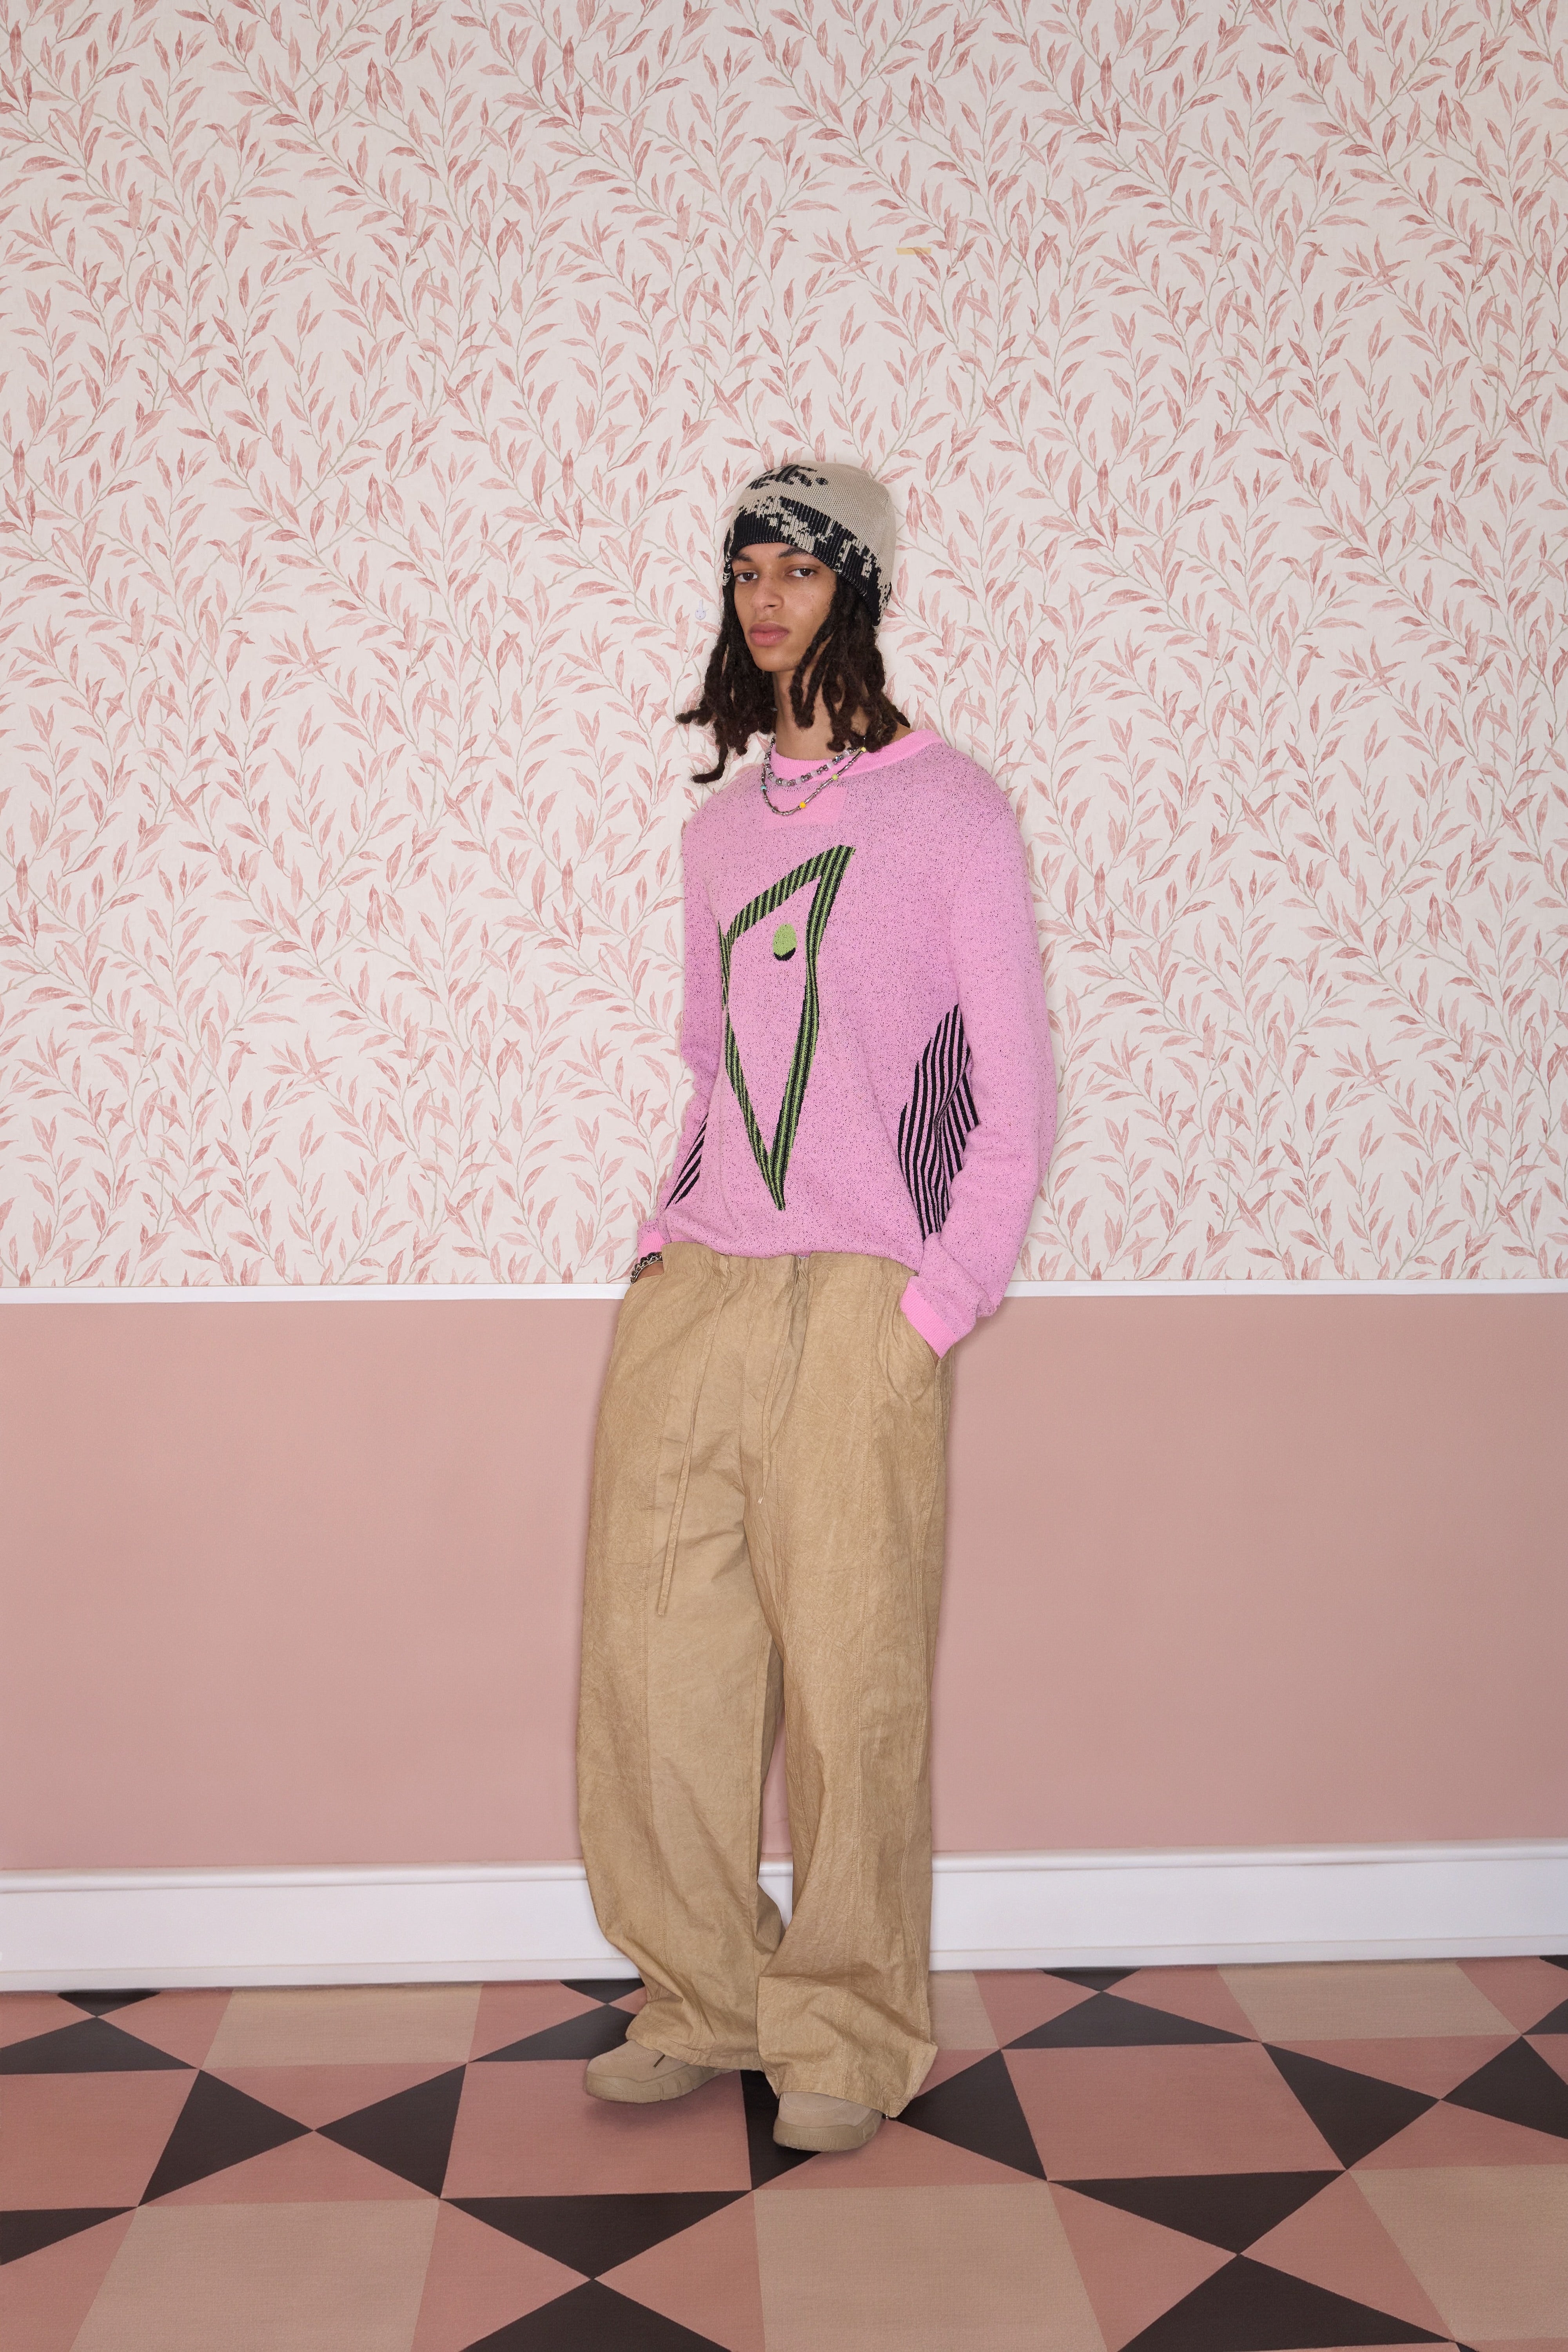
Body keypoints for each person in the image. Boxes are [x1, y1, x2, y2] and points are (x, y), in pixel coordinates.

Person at [575, 458, 1056, 2154]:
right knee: (655, 1664)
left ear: (860, 588)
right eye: (746, 570)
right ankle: (701, 1996)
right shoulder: (717, 835)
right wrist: (662, 1238)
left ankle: (847, 2031)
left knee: (852, 1679)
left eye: (798, 567)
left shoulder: (954, 815)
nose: (766, 598)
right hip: (701, 1289)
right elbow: (713, 1064)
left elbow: (1014, 1097)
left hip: (864, 1299)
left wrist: (937, 1304)